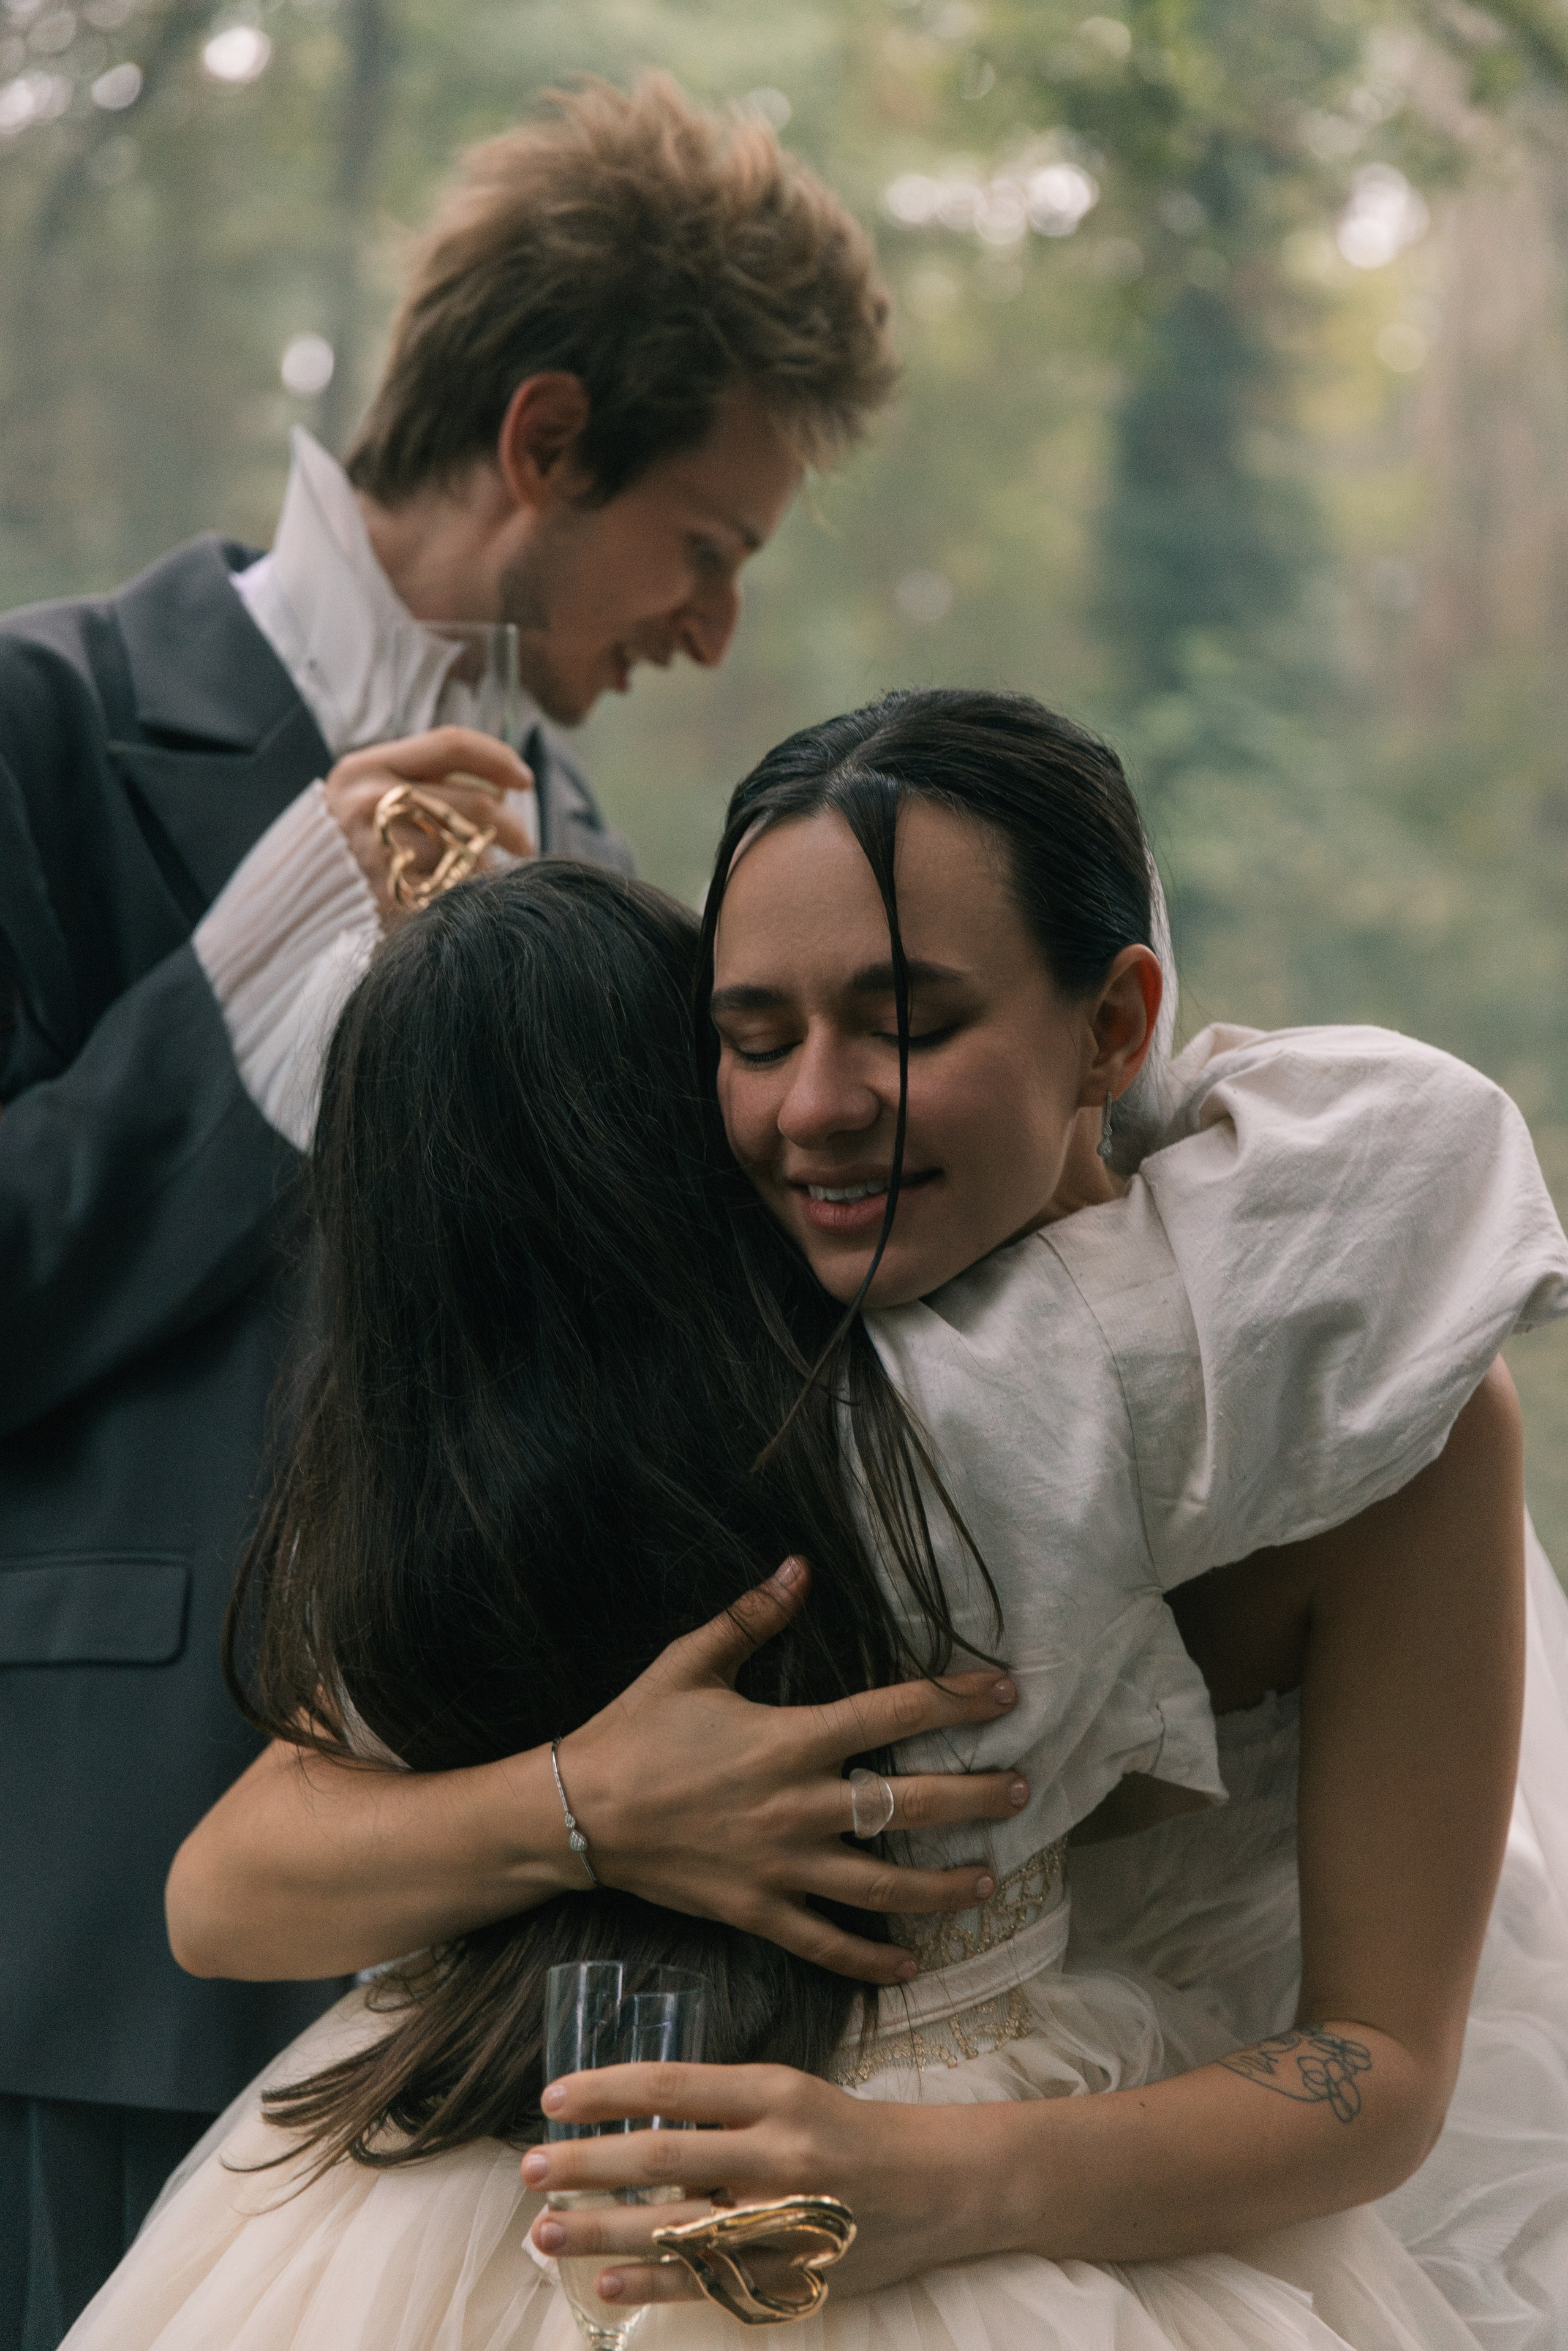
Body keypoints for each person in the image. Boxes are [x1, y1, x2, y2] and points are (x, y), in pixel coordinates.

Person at [66, 695, 1568, 2345]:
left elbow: (1384, 2061)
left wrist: (938, 2182)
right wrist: (594, 1803)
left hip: (1087, 2186)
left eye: (908, 1022)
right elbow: (234, 1881)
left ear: (1113, 1021)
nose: (818, 1110)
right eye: (754, 1037)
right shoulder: (689, 1341)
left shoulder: (1341, 1379)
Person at [0, 70, 897, 2343]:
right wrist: (270, 963)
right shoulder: (41, 722)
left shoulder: (596, 871)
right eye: (706, 542)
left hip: (513, 1965)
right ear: (547, 435)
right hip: (99, 1909)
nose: (711, 627)